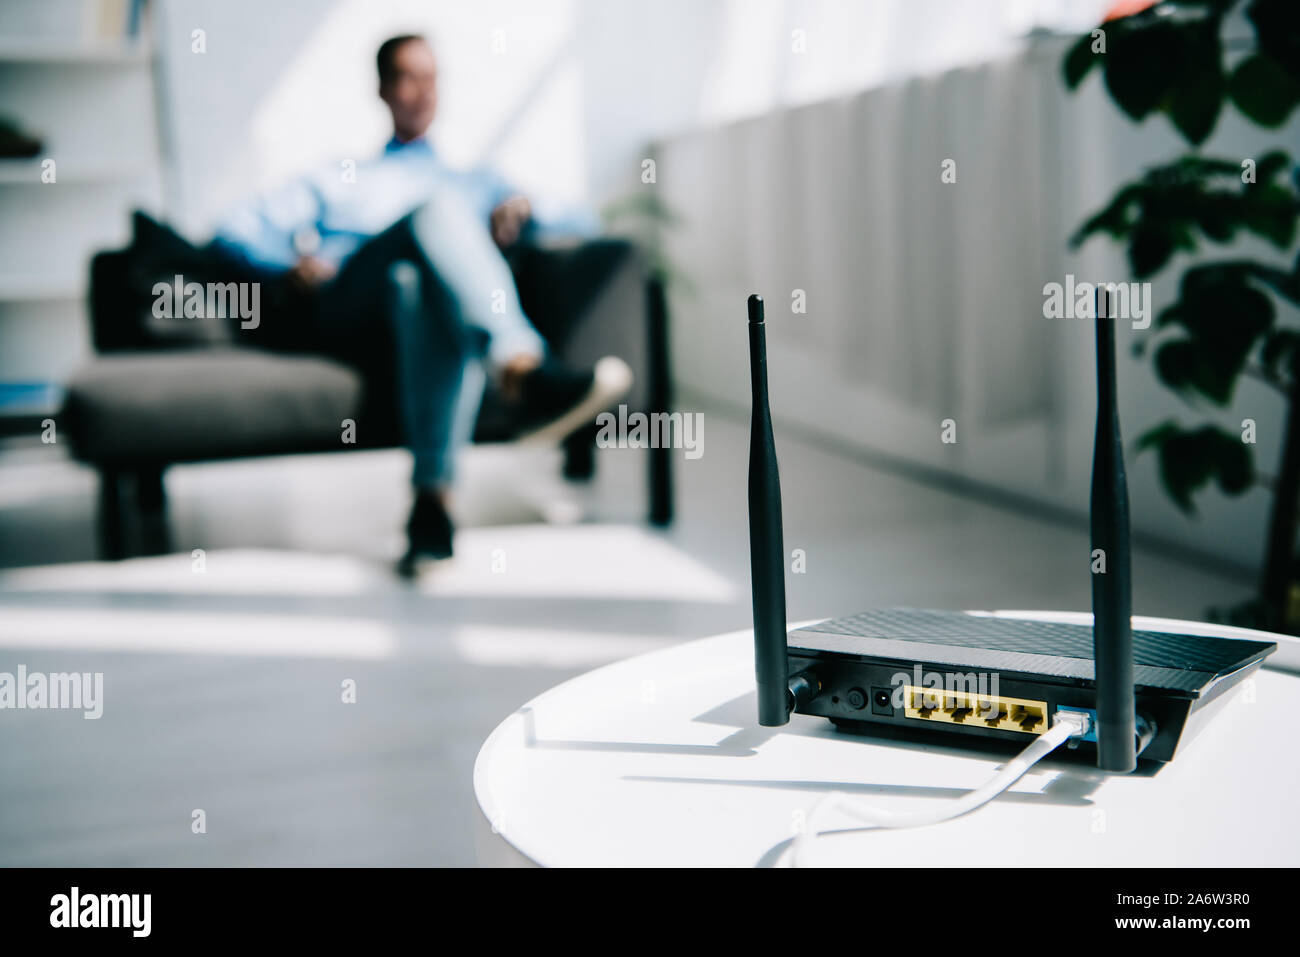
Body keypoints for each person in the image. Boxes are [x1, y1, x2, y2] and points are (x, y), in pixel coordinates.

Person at [209, 34, 631, 574]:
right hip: (351, 307)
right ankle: (522, 367)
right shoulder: (339, 177)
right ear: (382, 90)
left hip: (417, 310)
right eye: (408, 78)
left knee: (418, 283)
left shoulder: (475, 180)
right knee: (432, 216)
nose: (421, 93)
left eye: (430, 79)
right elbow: (232, 232)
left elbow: (583, 223)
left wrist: (525, 214)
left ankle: (432, 506)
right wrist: (285, 265)